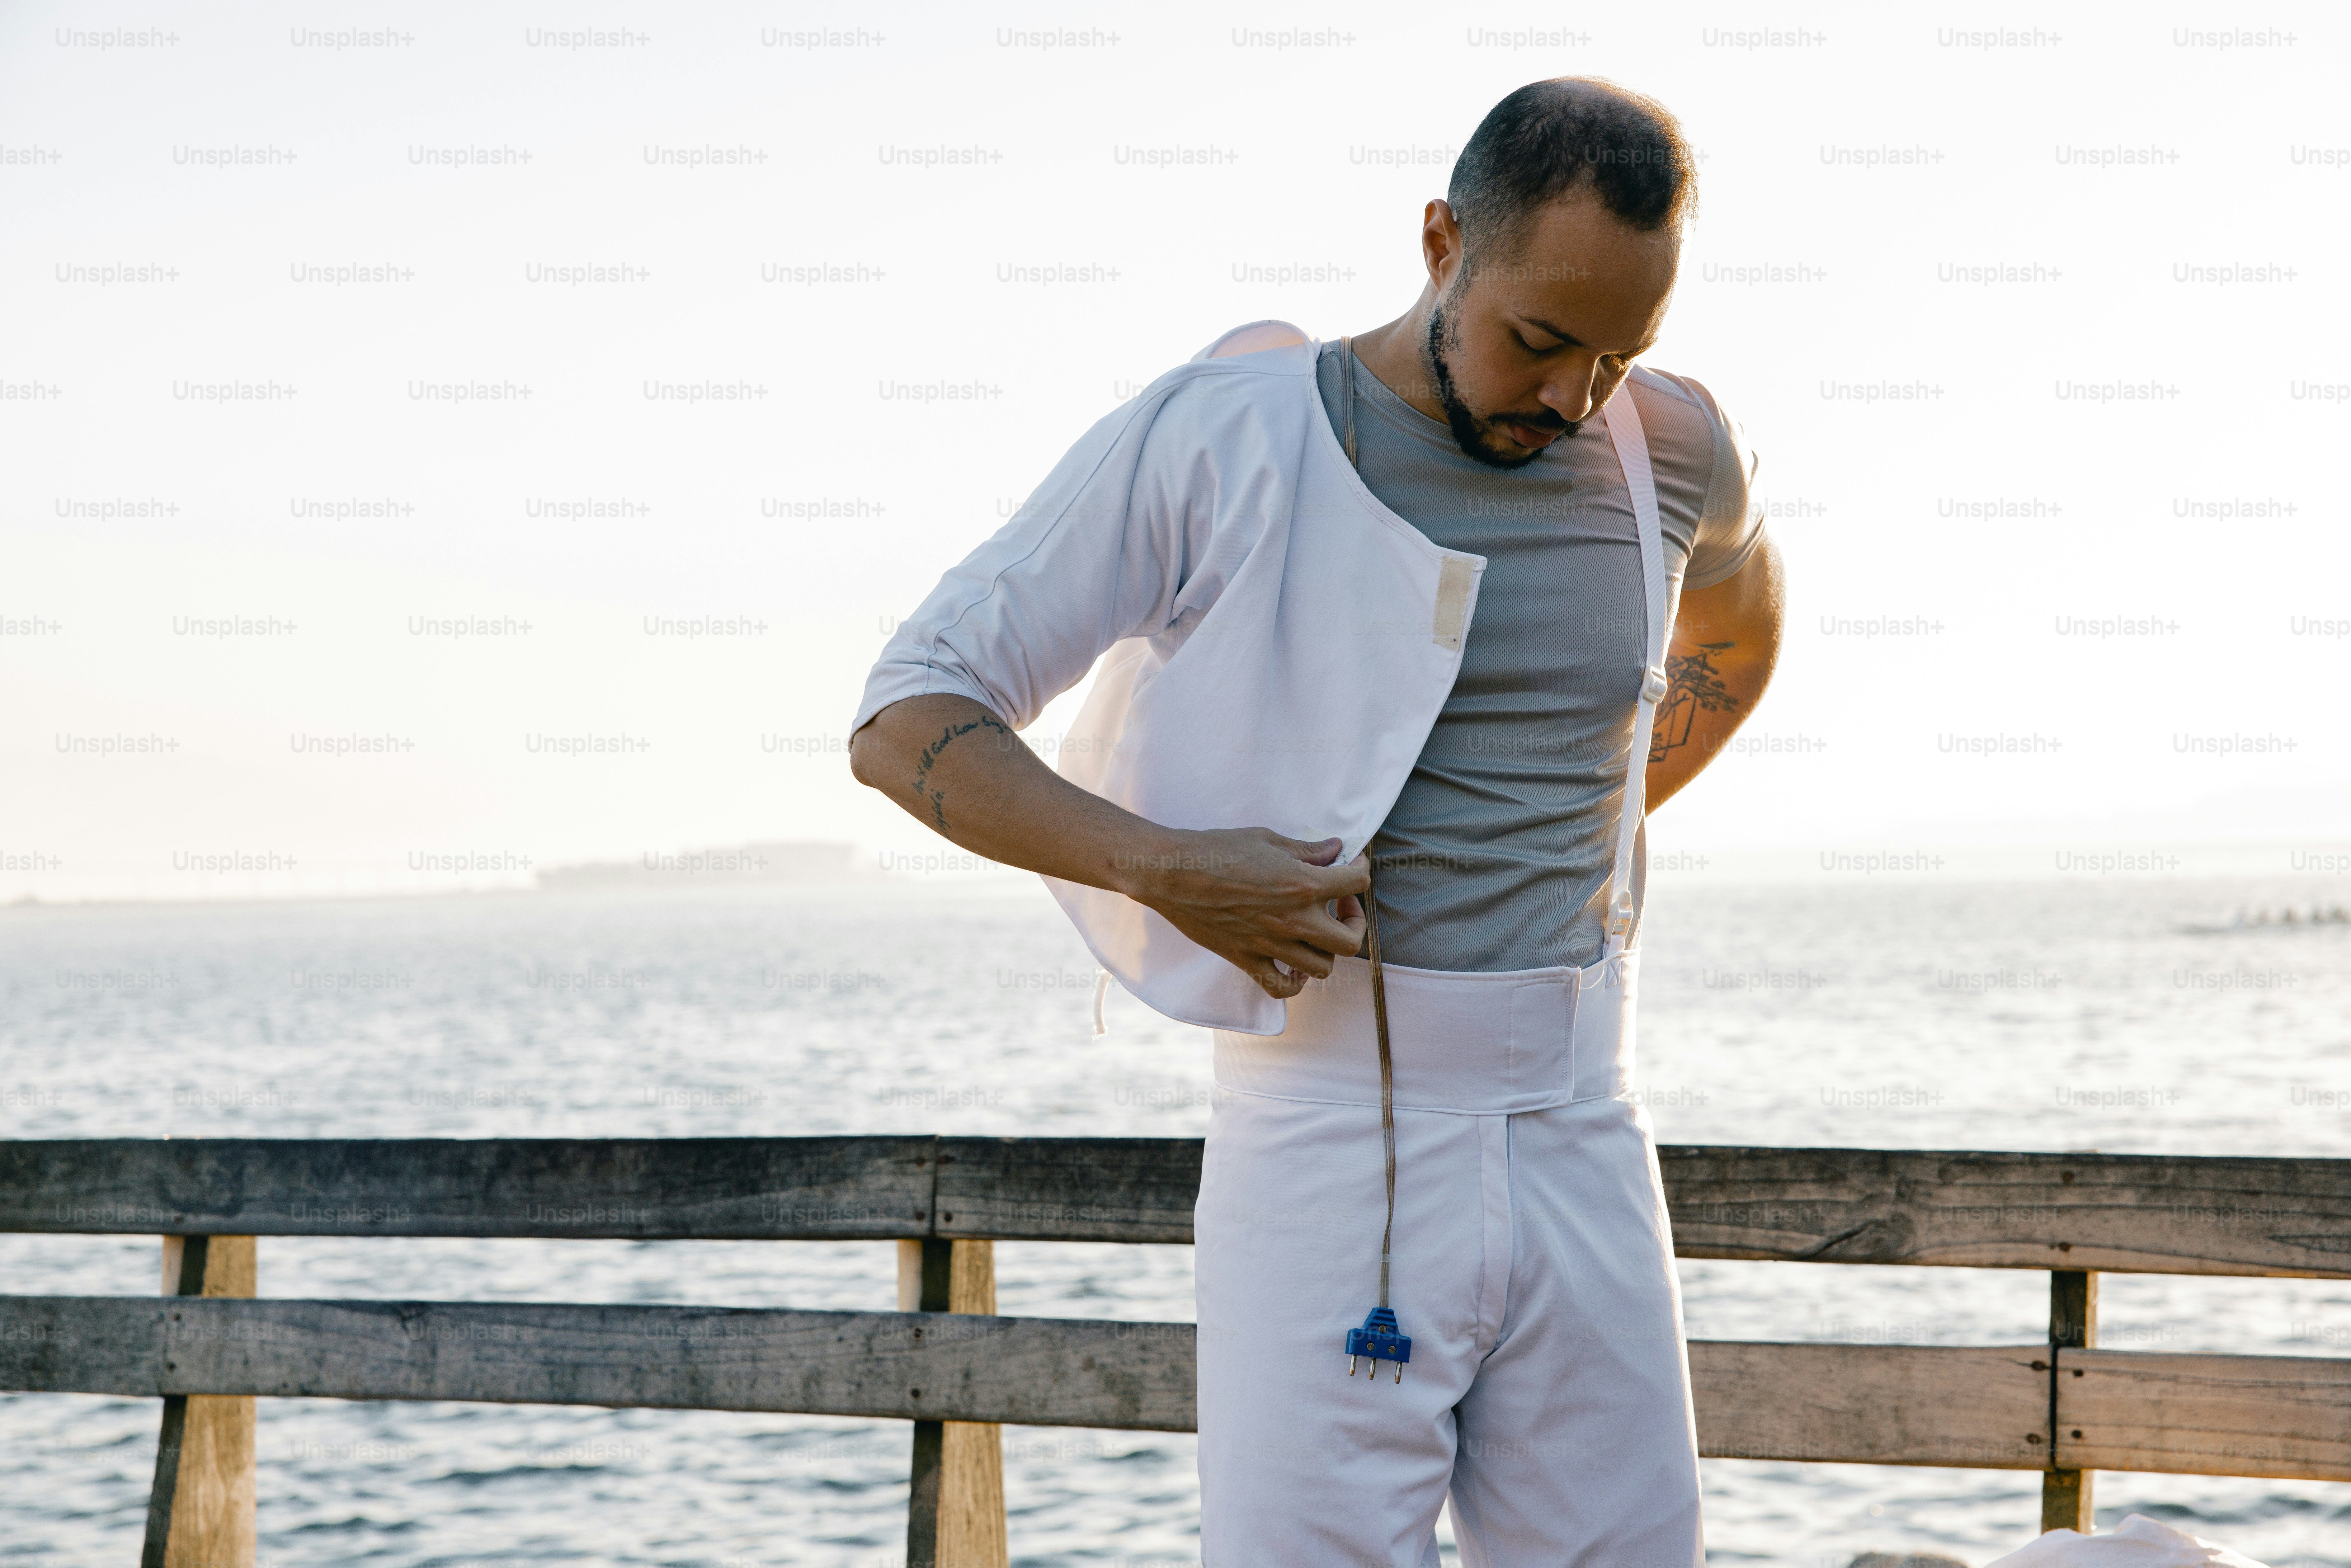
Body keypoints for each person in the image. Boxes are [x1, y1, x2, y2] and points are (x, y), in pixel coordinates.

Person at [850, 76, 1782, 1568]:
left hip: (1585, 1116)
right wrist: (1165, 872)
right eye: (1538, 341)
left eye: (1619, 355)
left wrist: (1600, 816)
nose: (1571, 400)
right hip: (1324, 1124)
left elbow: (1735, 628)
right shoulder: (1221, 436)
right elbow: (908, 716)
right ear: (1438, 245)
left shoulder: (1670, 453)